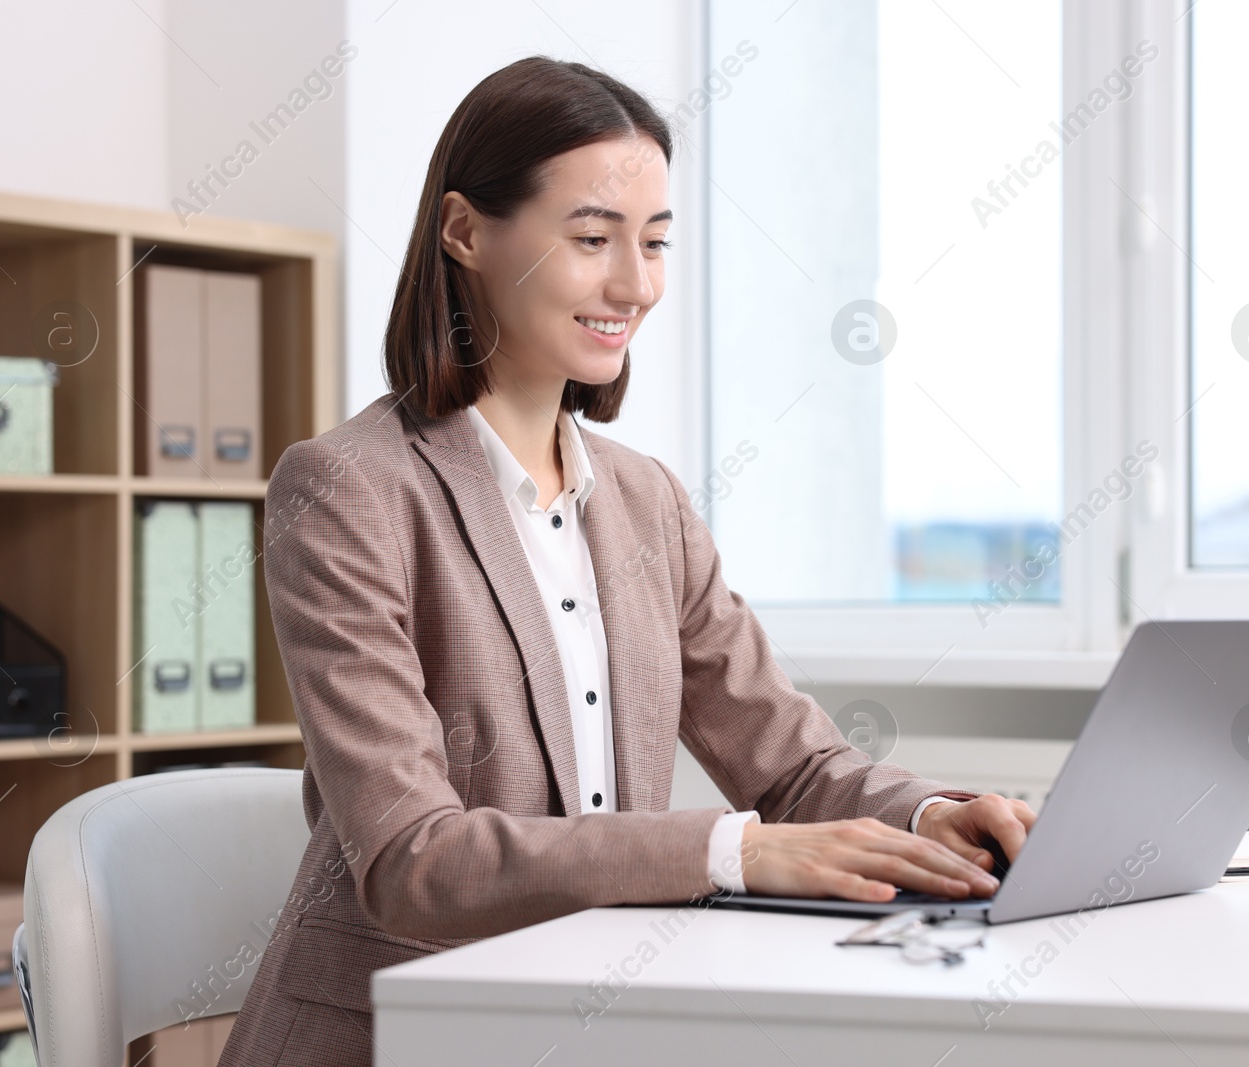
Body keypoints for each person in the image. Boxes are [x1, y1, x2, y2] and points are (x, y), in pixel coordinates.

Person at [219, 55, 1035, 1066]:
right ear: (466, 231)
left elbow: (792, 762)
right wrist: (733, 850)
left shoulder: (646, 498)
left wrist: (936, 815)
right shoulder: (346, 490)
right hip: (403, 1033)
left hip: (593, 1020)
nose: (635, 284)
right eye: (593, 238)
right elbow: (410, 856)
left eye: (653, 243)